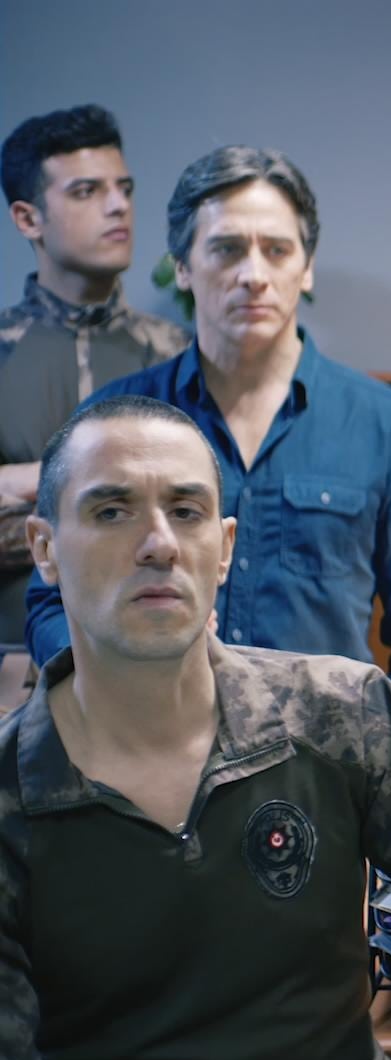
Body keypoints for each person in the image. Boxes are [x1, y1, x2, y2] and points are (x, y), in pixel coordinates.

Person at [0, 395, 391, 1060]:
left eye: (186, 511)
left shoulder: (344, 715)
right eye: (112, 511)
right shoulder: (15, 789)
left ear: (224, 548)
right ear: (44, 548)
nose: (159, 542)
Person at [23, 145, 391, 728]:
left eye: (276, 250)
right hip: (146, 740)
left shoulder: (389, 425)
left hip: (325, 755)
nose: (253, 275)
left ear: (306, 267)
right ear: (183, 267)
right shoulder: (108, 423)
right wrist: (108, 680)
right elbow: (48, 600)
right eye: (227, 249)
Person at [0, 104, 188, 706]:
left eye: (123, 189)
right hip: (8, 677)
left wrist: (24, 486)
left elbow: (202, 519)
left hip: (154, 677)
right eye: (87, 191)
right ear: (28, 218)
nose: (117, 206)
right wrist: (105, 506)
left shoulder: (178, 355)